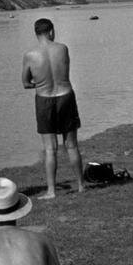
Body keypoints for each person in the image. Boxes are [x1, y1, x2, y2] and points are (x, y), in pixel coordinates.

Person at [22, 18, 85, 199]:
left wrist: (38, 83)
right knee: (71, 145)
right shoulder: (63, 48)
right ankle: (81, 185)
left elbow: (25, 83)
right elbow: (64, 70)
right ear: (51, 31)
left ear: (36, 33)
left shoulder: (29, 55)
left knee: (50, 148)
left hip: (44, 99)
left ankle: (51, 191)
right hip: (65, 96)